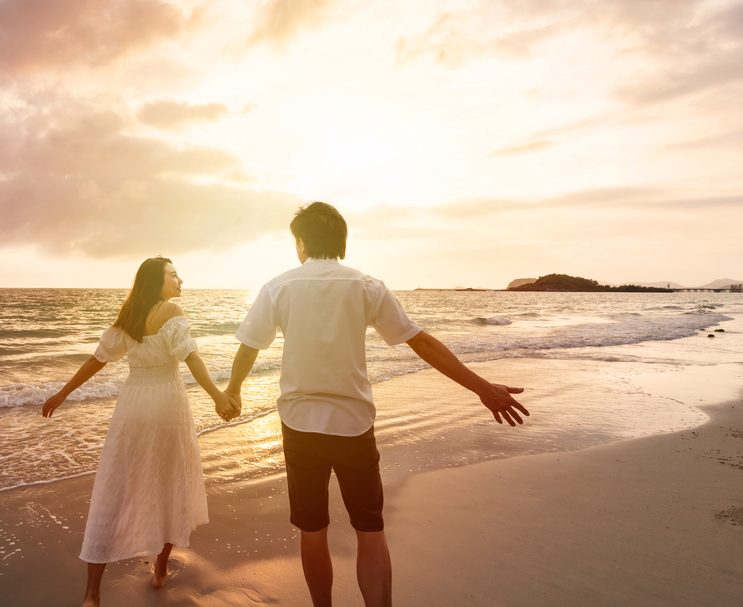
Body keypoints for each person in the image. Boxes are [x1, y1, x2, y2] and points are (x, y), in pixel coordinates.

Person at [223, 202, 529, 607]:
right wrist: (480, 387)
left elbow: (249, 347)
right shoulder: (367, 286)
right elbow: (419, 341)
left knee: (312, 530)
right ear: (342, 242)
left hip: (300, 425)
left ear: (300, 243)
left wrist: (235, 390)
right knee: (370, 528)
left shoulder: (279, 286)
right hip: (353, 425)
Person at [42, 257, 238, 607]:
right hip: (167, 406)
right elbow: (190, 356)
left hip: (132, 408)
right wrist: (217, 396)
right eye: (173, 275)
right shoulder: (171, 310)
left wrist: (63, 392)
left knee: (113, 490)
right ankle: (160, 569)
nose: (181, 280)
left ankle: (92, 593)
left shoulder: (128, 318)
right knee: (169, 484)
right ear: (155, 282)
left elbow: (97, 359)